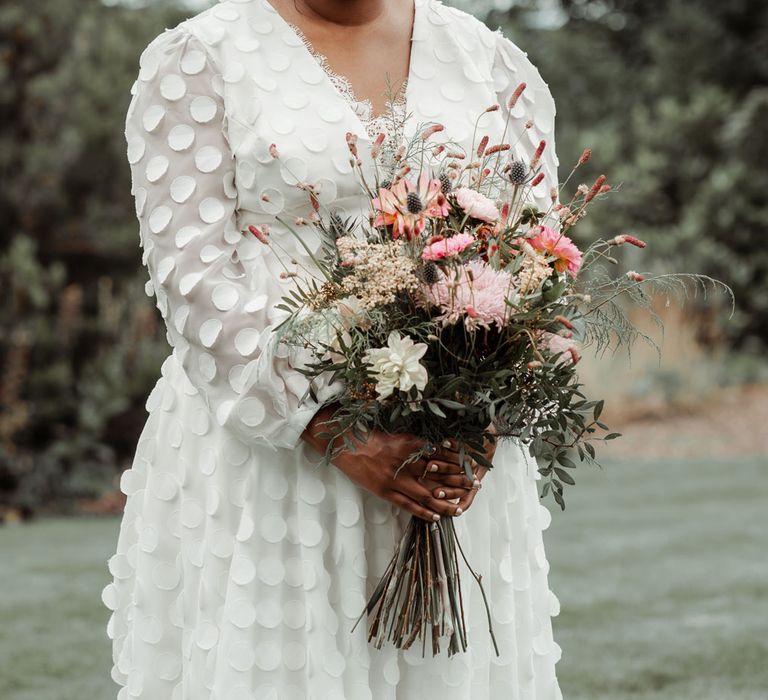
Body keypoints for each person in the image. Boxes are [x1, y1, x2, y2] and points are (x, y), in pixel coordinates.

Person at [101, 0, 563, 697]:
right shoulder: (198, 60)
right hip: (275, 457)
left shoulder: (487, 59)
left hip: (453, 453)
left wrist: (486, 407)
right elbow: (193, 280)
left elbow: (540, 250)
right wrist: (328, 428)